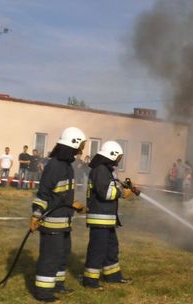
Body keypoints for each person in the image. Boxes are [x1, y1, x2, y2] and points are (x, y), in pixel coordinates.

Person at [29, 127, 86, 302]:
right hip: (52, 222)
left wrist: (72, 205)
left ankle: (57, 285)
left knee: (62, 254)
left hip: (64, 221)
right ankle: (43, 292)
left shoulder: (67, 166)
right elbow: (44, 193)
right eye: (81, 146)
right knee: (50, 257)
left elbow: (61, 194)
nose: (82, 150)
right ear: (73, 145)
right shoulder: (54, 166)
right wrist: (36, 215)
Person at [82, 141, 137, 288]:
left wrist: (123, 187)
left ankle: (112, 276)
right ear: (111, 155)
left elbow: (108, 186)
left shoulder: (105, 170)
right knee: (97, 249)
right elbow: (105, 192)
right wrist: (122, 193)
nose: (119, 161)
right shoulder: (100, 170)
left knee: (111, 247)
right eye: (118, 157)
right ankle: (90, 280)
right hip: (100, 218)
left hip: (107, 218)